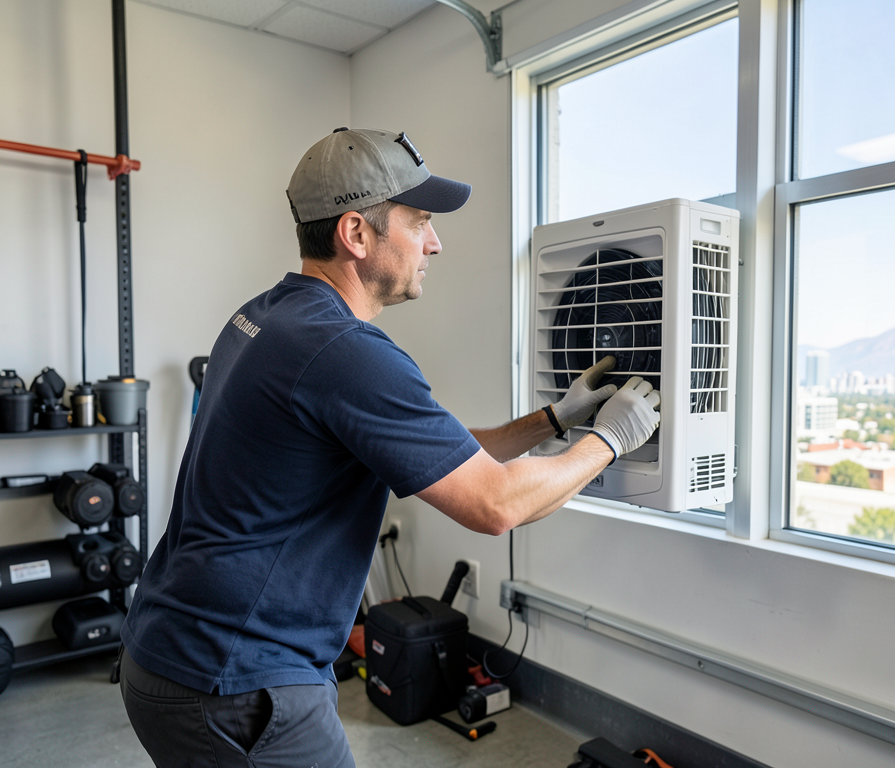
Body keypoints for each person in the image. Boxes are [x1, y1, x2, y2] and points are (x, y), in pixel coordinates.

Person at [118, 127, 661, 768]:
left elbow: (442, 451)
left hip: (170, 648)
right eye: (420, 221)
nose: (435, 242)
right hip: (234, 678)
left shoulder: (269, 315)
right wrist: (609, 440)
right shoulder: (345, 351)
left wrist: (554, 419)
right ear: (356, 233)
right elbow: (495, 505)